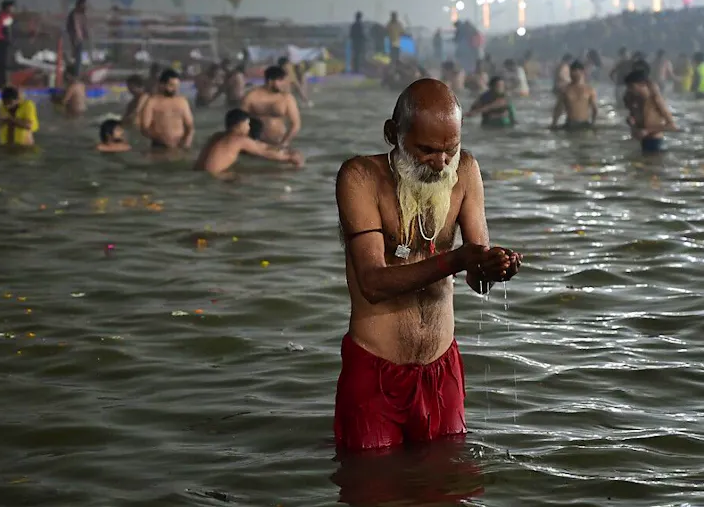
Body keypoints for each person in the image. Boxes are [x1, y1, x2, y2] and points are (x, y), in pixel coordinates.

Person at [333, 78, 521, 451]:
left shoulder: (465, 171)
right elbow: (372, 283)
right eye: (427, 150)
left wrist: (496, 268)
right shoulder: (360, 178)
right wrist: (457, 259)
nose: (441, 163)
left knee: (447, 484)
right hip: (376, 368)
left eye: (450, 150)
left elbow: (476, 275)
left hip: (442, 366)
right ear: (393, 134)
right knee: (373, 485)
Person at [194, 108, 304, 179]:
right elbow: (264, 151)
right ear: (240, 124)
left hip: (198, 175)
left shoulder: (216, 136)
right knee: (257, 177)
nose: (249, 127)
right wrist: (290, 157)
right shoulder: (239, 140)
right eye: (247, 124)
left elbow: (262, 146)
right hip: (214, 179)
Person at [241, 66, 302, 146]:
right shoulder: (251, 96)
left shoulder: (287, 98)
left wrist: (284, 143)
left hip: (279, 141)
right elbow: (240, 120)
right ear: (270, 81)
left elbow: (296, 124)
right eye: (281, 80)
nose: (284, 84)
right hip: (255, 142)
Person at [623, 67, 678, 153]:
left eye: (632, 87)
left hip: (656, 143)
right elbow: (636, 126)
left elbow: (672, 126)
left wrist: (648, 131)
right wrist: (631, 123)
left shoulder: (655, 100)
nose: (630, 90)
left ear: (643, 84)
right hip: (642, 143)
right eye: (628, 87)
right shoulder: (634, 100)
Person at [139, 68, 195, 150]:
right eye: (171, 86)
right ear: (162, 85)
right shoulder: (152, 102)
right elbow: (144, 128)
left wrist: (187, 141)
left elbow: (190, 126)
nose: (175, 89)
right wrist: (162, 138)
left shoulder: (182, 102)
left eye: (177, 86)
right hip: (159, 146)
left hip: (181, 145)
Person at [551, 61, 597, 131]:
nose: (574, 75)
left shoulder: (589, 90)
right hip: (570, 124)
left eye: (576, 72)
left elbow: (594, 109)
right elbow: (558, 109)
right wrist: (554, 123)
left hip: (584, 124)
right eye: (572, 72)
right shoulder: (565, 90)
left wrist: (593, 123)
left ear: (582, 72)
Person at [65, 0, 89, 77]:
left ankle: (78, 74)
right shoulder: (73, 14)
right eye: (84, 4)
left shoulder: (83, 14)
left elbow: (84, 26)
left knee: (80, 59)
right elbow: (70, 27)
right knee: (73, 58)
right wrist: (72, 38)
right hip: (73, 40)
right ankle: (73, 75)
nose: (85, 6)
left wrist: (86, 35)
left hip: (80, 39)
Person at [0, 0, 14, 88]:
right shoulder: (1, 17)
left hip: (7, 43)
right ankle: (0, 83)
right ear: (7, 8)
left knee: (6, 63)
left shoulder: (9, 17)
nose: (13, 9)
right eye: (11, 7)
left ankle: (4, 81)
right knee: (1, 63)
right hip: (1, 43)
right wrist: (3, 40)